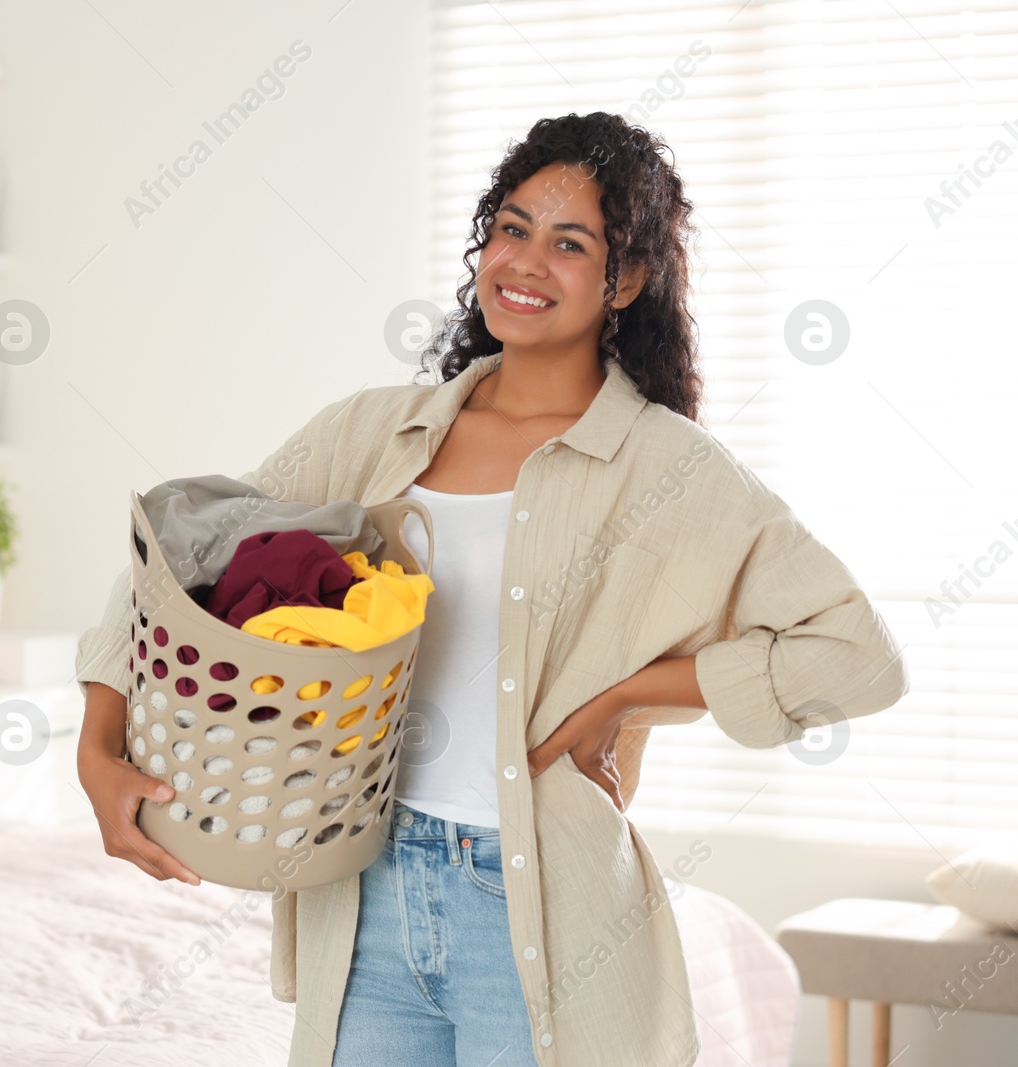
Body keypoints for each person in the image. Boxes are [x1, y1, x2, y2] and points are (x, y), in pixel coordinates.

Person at [75, 111, 908, 1067]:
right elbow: (177, 556)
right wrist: (99, 748)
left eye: (570, 243)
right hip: (363, 894)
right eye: (512, 229)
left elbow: (858, 658)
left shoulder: (670, 470)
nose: (527, 262)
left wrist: (631, 692)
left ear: (624, 280)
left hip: (542, 914)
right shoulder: (372, 432)